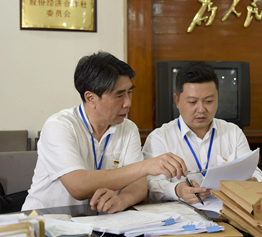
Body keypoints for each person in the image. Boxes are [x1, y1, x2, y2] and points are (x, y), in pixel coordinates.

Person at [22, 51, 187, 213]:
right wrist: (145, 166)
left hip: (96, 222)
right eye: (119, 95)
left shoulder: (128, 128)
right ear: (90, 98)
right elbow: (78, 186)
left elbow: (138, 184)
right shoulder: (59, 126)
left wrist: (122, 200)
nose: (128, 102)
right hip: (45, 221)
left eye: (129, 92)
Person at [143, 61, 262, 204]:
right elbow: (151, 184)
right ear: (177, 100)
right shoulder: (159, 138)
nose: (201, 109)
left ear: (217, 97)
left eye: (209, 101)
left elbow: (253, 171)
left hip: (227, 210)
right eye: (192, 102)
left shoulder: (233, 132)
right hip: (182, 212)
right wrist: (177, 190)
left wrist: (254, 182)